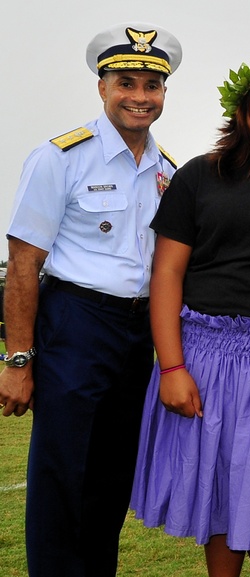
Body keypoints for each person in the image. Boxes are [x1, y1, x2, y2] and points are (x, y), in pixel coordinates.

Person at [128, 56, 250, 577]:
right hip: (207, 353)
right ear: (241, 109)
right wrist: (172, 367)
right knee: (220, 483)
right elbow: (167, 275)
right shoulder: (198, 175)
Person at [0, 22, 181, 576]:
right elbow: (24, 264)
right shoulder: (60, 157)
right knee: (62, 472)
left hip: (137, 332)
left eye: (151, 87)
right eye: (126, 83)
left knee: (110, 474)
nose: (139, 97)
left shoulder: (169, 170)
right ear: (102, 88)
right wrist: (17, 360)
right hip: (76, 321)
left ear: (164, 94)